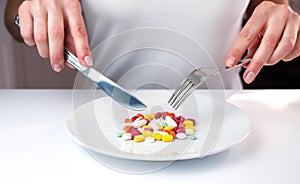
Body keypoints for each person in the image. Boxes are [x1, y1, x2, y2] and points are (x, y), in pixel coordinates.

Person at [4, 0, 300, 89]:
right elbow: (12, 15)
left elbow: (271, 6)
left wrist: (283, 26)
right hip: (100, 129)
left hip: (225, 128)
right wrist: (31, 11)